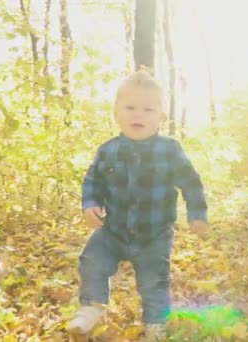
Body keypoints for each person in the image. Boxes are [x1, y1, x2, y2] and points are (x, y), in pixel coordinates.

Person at [69, 70, 209, 340]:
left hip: (154, 234)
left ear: (160, 117)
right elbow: (92, 182)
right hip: (113, 230)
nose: (138, 115)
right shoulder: (108, 150)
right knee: (92, 261)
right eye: (130, 107)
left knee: (153, 280)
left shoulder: (169, 150)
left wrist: (197, 214)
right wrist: (90, 204)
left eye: (148, 109)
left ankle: (156, 324)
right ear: (116, 113)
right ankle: (91, 306)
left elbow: (191, 182)